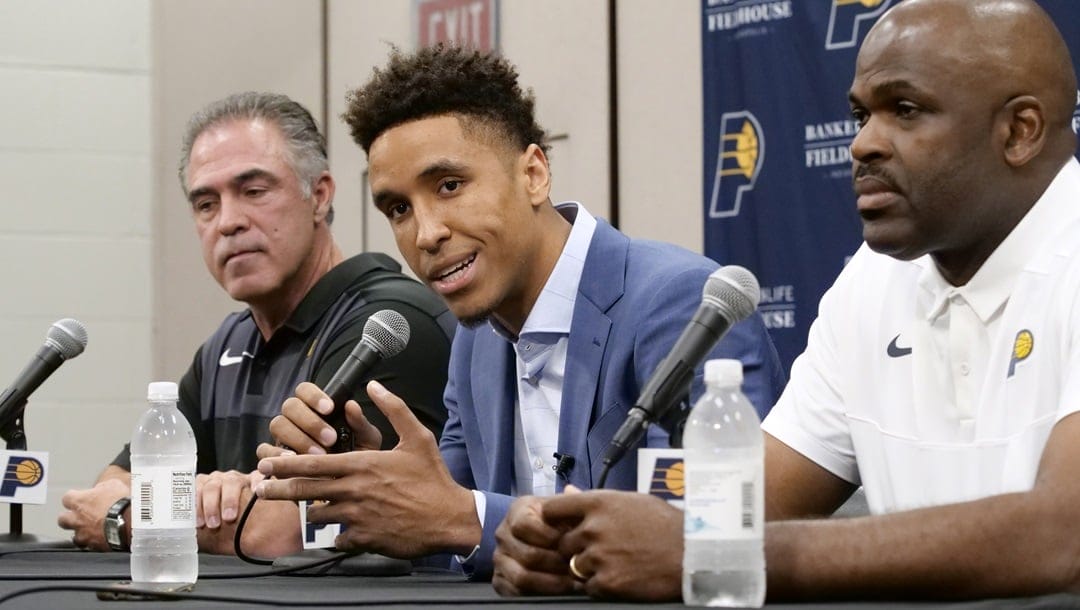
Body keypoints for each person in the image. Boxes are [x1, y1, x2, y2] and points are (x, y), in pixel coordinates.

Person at [491, 0, 1080, 601]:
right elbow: (753, 503)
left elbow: (1065, 535)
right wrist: (576, 548)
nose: (863, 144)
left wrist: (715, 553)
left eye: (905, 110)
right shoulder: (873, 281)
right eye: (860, 115)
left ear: (1019, 131)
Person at [253, 44, 785, 579]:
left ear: (533, 173)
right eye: (399, 209)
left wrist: (463, 518)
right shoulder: (476, 340)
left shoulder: (682, 305)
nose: (426, 234)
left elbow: (705, 540)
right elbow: (450, 535)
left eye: (450, 186)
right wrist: (371, 486)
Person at [57, 92, 455, 557]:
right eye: (206, 204)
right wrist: (195, 501)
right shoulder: (229, 342)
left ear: (319, 196)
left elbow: (280, 532)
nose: (228, 223)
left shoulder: (385, 326)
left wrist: (125, 519)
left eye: (253, 191)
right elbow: (114, 481)